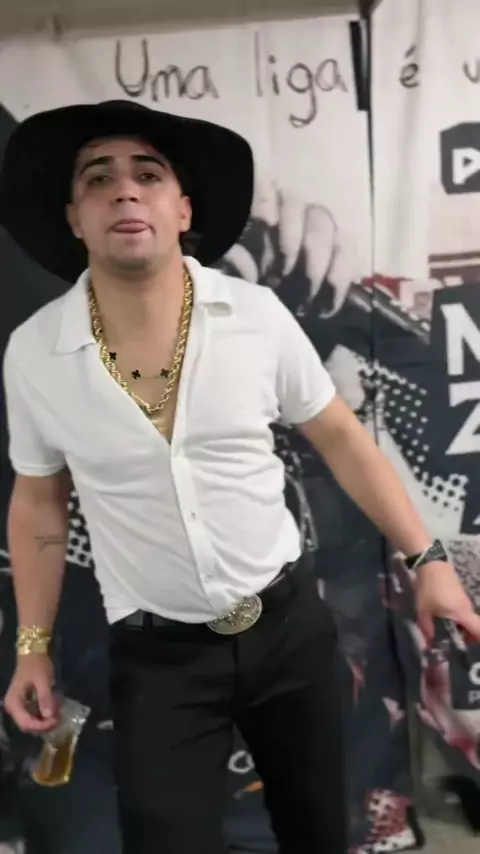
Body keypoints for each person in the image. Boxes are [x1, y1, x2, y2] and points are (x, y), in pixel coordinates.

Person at [1, 100, 479, 854]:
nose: (124, 190)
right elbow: (38, 501)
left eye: (148, 174)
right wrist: (33, 645)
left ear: (182, 210)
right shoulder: (35, 352)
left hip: (289, 634)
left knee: (319, 833)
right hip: (157, 660)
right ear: (74, 218)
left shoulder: (255, 314)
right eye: (98, 178)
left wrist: (429, 561)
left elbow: (343, 440)